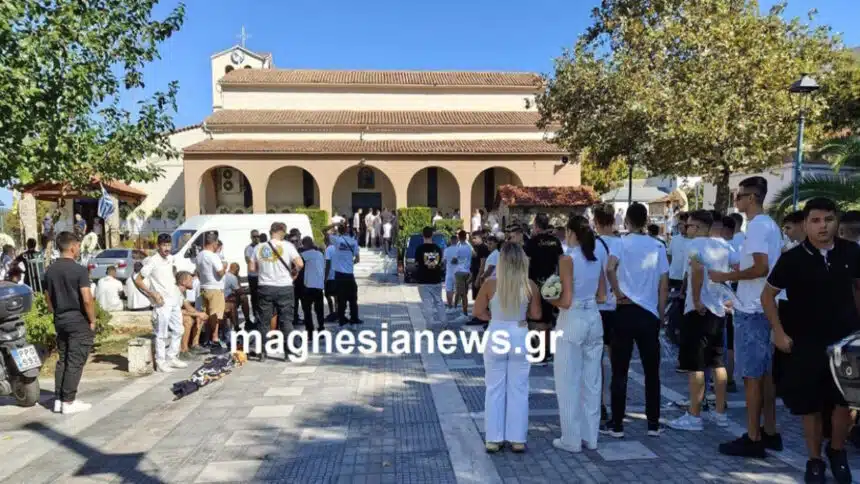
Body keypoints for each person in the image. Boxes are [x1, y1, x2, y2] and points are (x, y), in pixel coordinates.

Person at [763, 197, 858, 483]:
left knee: (848, 404)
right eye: (815, 220)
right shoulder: (792, 259)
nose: (822, 226)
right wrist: (779, 332)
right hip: (806, 342)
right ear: (805, 224)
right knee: (812, 405)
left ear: (836, 221)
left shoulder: (851, 251)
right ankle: (815, 460)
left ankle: (837, 451)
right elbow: (767, 295)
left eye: (828, 220)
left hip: (847, 341)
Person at [709, 176, 783, 457]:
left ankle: (753, 438)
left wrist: (726, 276)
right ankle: (769, 431)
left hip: (753, 309)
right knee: (764, 375)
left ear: (751, 198)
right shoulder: (769, 225)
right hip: (761, 307)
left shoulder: (758, 226)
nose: (736, 200)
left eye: (738, 196)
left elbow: (761, 268)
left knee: (752, 377)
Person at [605, 202, 669, 437]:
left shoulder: (620, 243)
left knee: (619, 370)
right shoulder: (658, 245)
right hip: (649, 313)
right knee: (652, 371)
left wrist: (617, 292)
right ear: (646, 220)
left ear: (627, 221)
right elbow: (664, 284)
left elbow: (609, 268)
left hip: (624, 310)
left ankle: (617, 424)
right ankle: (653, 423)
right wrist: (660, 313)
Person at [666, 210, 733, 431]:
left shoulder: (694, 246)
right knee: (717, 362)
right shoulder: (723, 245)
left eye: (690, 226)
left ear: (700, 227)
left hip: (699, 311)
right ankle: (720, 412)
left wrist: (696, 300)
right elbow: (736, 267)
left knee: (695, 364)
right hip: (719, 310)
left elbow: (696, 270)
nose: (686, 229)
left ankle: (694, 415)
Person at [473, 242, 542, 453]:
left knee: (494, 388)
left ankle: (493, 438)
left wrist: (494, 318)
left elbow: (478, 312)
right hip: (519, 333)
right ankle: (517, 439)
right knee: (519, 388)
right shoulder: (530, 285)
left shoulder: (490, 284)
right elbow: (537, 315)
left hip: (497, 332)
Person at [550, 216, 606, 453]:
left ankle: (571, 439)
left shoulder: (567, 259)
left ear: (571, 233)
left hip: (572, 319)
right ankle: (590, 437)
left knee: (567, 381)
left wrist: (549, 298)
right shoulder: (596, 258)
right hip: (594, 317)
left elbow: (565, 300)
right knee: (592, 381)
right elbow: (603, 296)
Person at [45, 231, 96, 414]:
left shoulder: (50, 270)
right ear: (73, 247)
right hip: (78, 320)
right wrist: (92, 320)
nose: (79, 249)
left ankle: (59, 399)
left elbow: (47, 297)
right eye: (78, 246)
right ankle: (69, 401)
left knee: (63, 359)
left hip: (60, 319)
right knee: (75, 360)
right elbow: (87, 299)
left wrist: (56, 312)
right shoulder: (79, 270)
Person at [249, 222, 303, 361]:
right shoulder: (288, 246)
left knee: (264, 321)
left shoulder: (259, 247)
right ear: (281, 231)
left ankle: (262, 352)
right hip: (284, 287)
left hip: (265, 287)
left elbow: (252, 268)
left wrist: (264, 270)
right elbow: (300, 263)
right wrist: (294, 272)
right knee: (286, 320)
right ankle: (289, 352)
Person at [135, 234, 187, 372]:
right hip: (162, 303)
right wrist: (152, 294)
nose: (167, 248)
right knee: (162, 333)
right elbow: (138, 280)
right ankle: (160, 362)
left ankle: (172, 357)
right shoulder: (152, 261)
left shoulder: (170, 258)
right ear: (158, 246)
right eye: (164, 245)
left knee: (179, 329)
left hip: (173, 300)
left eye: (169, 245)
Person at [592, 203, 622, 429]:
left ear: (596, 222)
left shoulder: (593, 245)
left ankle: (600, 403)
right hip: (620, 306)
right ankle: (617, 406)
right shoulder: (623, 243)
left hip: (600, 306)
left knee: (596, 359)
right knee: (618, 361)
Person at [523, 213, 564, 367]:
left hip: (535, 283)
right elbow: (561, 262)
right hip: (552, 282)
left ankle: (537, 351)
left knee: (535, 318)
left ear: (536, 225)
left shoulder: (532, 242)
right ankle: (547, 351)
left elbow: (526, 263)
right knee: (548, 318)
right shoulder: (555, 241)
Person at [196, 232, 227, 352]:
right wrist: (225, 267)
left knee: (206, 315)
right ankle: (215, 339)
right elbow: (220, 272)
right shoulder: (213, 256)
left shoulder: (199, 255)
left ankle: (205, 339)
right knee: (216, 315)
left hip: (204, 287)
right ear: (214, 243)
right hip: (215, 288)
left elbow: (198, 273)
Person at [327, 223, 362, 325]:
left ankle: (341, 319)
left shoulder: (337, 240)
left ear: (339, 230)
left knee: (341, 298)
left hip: (339, 274)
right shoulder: (353, 242)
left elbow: (324, 231)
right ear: (347, 230)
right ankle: (354, 318)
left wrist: (334, 224)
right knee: (353, 298)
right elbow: (357, 259)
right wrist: (350, 264)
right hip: (349, 274)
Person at [415, 227, 446, 325]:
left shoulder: (419, 249)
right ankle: (444, 322)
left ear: (422, 235)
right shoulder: (438, 249)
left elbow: (417, 264)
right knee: (439, 302)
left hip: (423, 280)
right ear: (432, 235)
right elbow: (440, 263)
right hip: (436, 279)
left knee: (427, 303)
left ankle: (430, 324)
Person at [301, 236, 326, 335]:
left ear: (306, 244)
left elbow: (297, 259)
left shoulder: (307, 254)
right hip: (319, 285)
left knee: (307, 310)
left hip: (309, 286)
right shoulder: (320, 254)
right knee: (319, 310)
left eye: (303, 245)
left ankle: (310, 330)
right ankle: (321, 328)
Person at [453, 230, 473, 323]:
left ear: (459, 237)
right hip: (467, 271)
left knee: (462, 294)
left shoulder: (458, 248)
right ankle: (461, 311)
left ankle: (465, 314)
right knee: (464, 292)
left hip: (460, 272)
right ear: (465, 237)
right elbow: (473, 255)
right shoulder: (469, 247)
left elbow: (454, 260)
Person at [667, 213, 690, 291]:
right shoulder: (674, 239)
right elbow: (669, 256)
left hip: (687, 279)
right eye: (679, 224)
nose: (680, 226)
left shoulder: (694, 241)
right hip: (674, 277)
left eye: (682, 224)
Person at [223, 262, 246, 334]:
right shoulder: (232, 277)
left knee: (234, 300)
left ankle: (235, 325)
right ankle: (238, 325)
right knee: (243, 298)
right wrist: (245, 290)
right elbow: (238, 291)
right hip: (226, 300)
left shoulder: (225, 275)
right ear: (237, 270)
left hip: (222, 298)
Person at [245, 230, 261, 317]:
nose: (256, 238)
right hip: (253, 276)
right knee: (254, 296)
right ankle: (255, 314)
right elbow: (248, 260)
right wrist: (258, 264)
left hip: (261, 276)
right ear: (251, 237)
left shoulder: (262, 246)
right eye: (254, 236)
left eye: (258, 236)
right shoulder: (248, 248)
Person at [323, 234, 338, 322]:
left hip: (330, 276)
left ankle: (332, 313)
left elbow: (327, 264)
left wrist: (325, 278)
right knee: (336, 296)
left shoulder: (328, 249)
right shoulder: (337, 248)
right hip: (338, 275)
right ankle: (337, 313)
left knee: (327, 295)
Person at [443, 236, 459, 310]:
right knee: (457, 291)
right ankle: (456, 306)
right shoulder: (460, 250)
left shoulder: (446, 250)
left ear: (451, 240)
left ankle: (450, 306)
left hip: (449, 273)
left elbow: (444, 261)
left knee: (449, 290)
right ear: (457, 240)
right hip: (458, 273)